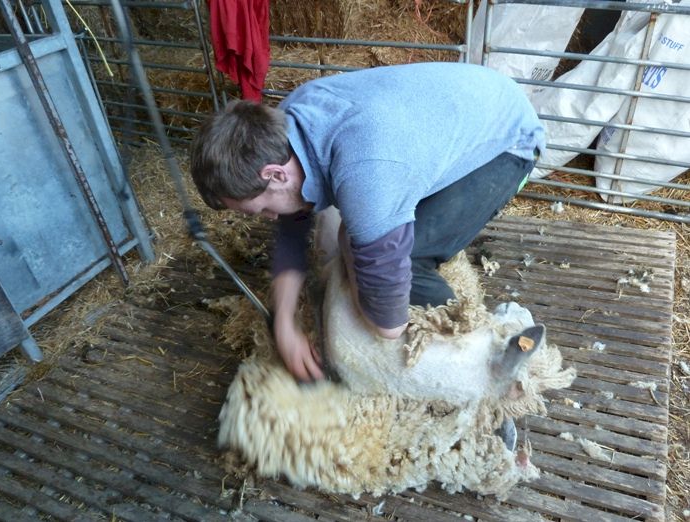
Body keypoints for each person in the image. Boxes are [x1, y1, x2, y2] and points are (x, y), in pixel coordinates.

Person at [190, 62, 545, 383]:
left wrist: (356, 262)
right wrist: (283, 323)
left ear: (275, 175)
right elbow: (292, 229)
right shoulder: (282, 128)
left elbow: (389, 325)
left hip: (508, 140)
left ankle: (491, 358)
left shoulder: (366, 178)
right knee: (360, 242)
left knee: (409, 261)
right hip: (457, 109)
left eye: (261, 209)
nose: (269, 217)